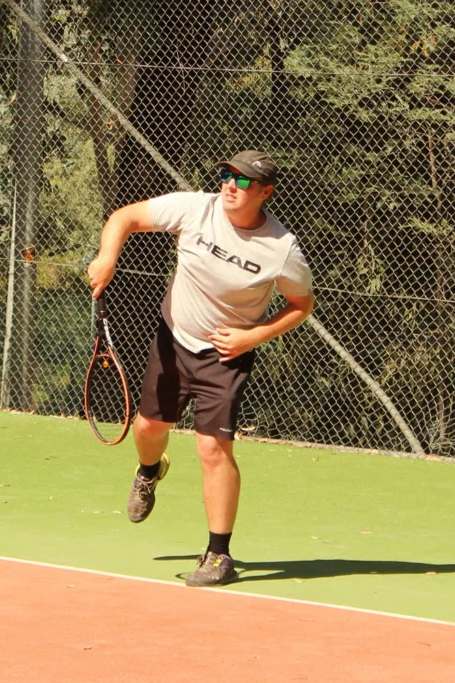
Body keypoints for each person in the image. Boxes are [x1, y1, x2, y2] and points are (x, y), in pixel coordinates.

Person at [86, 150, 314, 587]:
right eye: (228, 175)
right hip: (174, 340)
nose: (231, 185)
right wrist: (108, 257)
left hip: (228, 355)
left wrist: (253, 336)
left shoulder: (281, 249)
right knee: (150, 428)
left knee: (213, 449)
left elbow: (301, 304)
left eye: (243, 181)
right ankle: (150, 471)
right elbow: (124, 217)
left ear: (265, 192)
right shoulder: (196, 208)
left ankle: (219, 555)